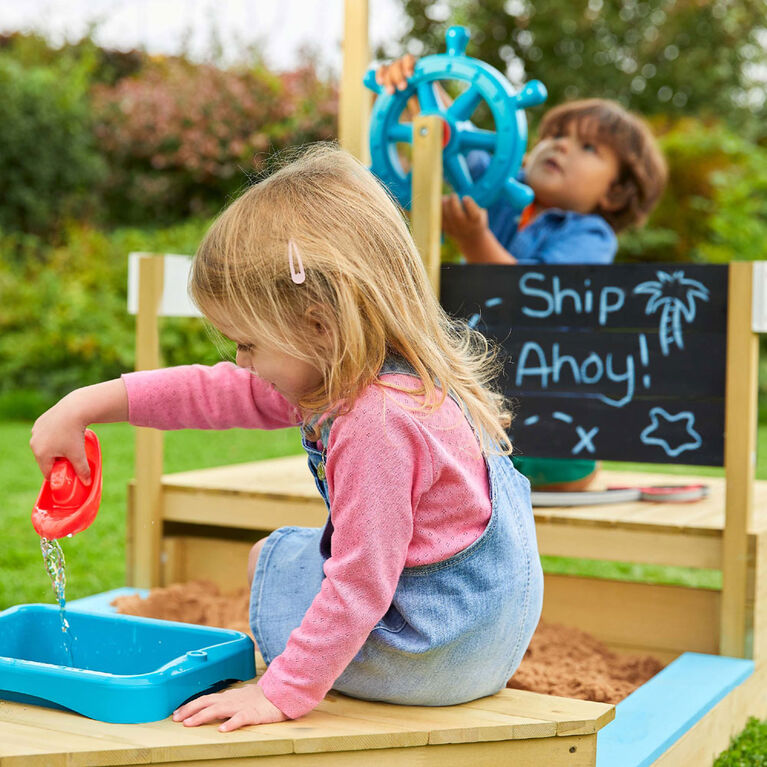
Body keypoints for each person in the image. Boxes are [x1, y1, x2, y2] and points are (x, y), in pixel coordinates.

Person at [30, 145, 543, 732]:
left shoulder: (376, 420)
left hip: (429, 657)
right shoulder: (381, 375)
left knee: (268, 559)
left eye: (248, 344)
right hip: (487, 636)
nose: (242, 364)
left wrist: (278, 694)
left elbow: (359, 582)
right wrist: (87, 404)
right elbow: (213, 392)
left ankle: (305, 671)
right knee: (294, 555)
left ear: (320, 325)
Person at [377, 55, 668, 490]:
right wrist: (417, 85)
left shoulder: (590, 234)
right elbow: (448, 137)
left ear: (615, 193)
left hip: (550, 400)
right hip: (484, 393)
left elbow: (535, 296)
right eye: (554, 135)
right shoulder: (496, 188)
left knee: (553, 472)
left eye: (587, 148)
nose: (561, 146)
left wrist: (476, 242)